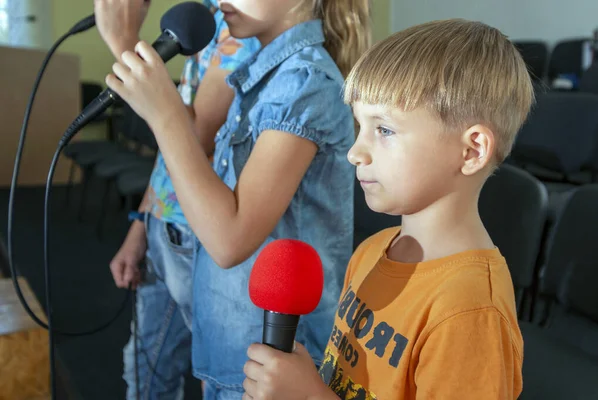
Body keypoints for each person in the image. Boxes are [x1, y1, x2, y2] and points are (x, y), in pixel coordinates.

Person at [239, 19, 535, 400]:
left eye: (385, 130)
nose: (354, 152)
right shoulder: (372, 251)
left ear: (472, 150)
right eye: (359, 125)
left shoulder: (469, 309)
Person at [104, 0, 371, 397]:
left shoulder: (304, 82)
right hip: (236, 346)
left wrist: (165, 115)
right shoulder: (266, 74)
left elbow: (230, 240)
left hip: (274, 361)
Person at [93, 0, 260, 398]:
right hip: (163, 225)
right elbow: (171, 144)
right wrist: (140, 223)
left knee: (217, 380)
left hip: (199, 238)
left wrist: (124, 41)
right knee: (145, 374)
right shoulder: (205, 11)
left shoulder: (247, 22)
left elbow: (194, 133)